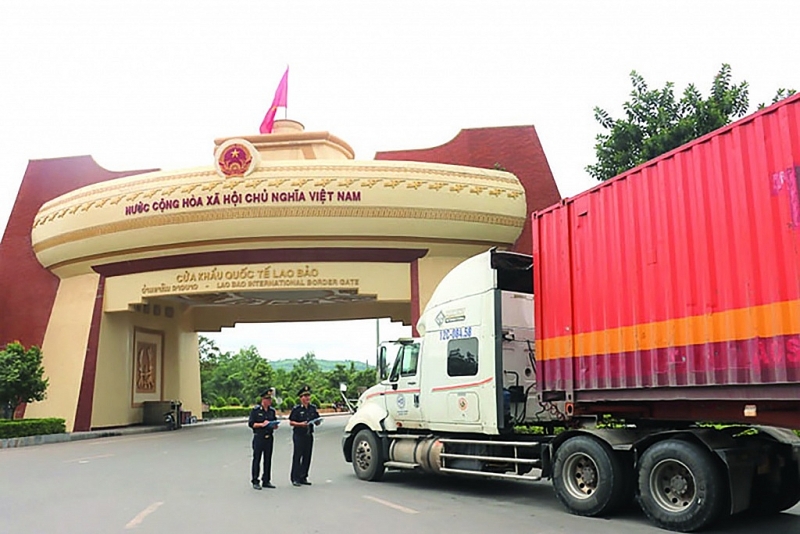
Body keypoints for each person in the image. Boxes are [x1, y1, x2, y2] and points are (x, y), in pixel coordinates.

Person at [289, 385, 321, 486]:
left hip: (309, 434)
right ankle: (295, 478)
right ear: (301, 398)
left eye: (308, 396)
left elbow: (317, 419)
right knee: (297, 456)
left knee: (307, 456)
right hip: (299, 435)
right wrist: (300, 424)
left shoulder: (312, 408)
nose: (307, 398)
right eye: (305, 396)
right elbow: (291, 422)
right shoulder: (297, 409)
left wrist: (317, 422)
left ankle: (304, 476)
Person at [248, 388, 279, 490]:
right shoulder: (256, 411)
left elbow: (274, 422)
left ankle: (266, 480)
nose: (269, 401)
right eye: (267, 399)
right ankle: (255, 480)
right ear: (263, 400)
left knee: (268, 459)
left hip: (269, 437)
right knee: (257, 459)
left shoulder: (272, 411)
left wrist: (274, 425)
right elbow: (251, 424)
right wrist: (262, 424)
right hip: (259, 437)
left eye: (270, 399)